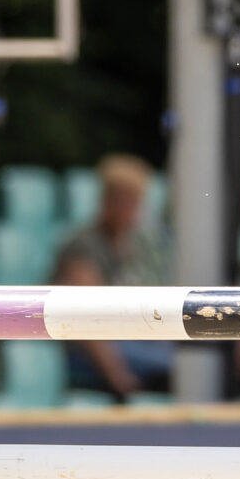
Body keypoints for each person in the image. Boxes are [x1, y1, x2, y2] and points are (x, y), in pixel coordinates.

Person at [54, 155, 175, 401]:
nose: (127, 207)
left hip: (134, 343)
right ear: (104, 199)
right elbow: (84, 322)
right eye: (120, 198)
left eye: (133, 199)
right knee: (188, 364)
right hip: (88, 352)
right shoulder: (84, 247)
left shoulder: (142, 244)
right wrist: (119, 378)